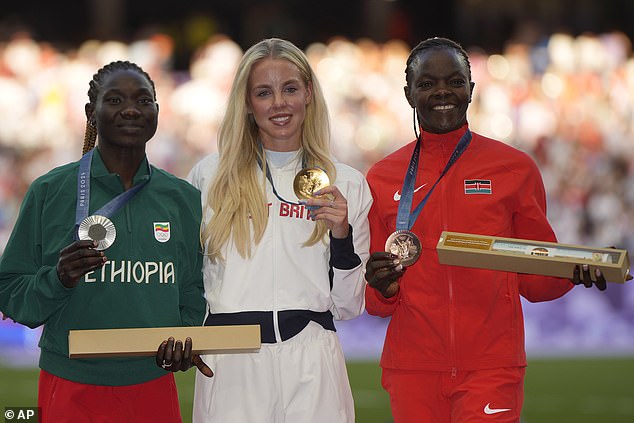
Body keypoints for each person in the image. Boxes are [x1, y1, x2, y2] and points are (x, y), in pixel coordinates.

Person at [364, 37, 624, 423]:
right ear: (408, 93)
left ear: (471, 88)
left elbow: (535, 282)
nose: (442, 92)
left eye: (454, 81)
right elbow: (376, 300)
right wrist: (381, 285)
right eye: (426, 83)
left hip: (492, 365)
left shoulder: (514, 169)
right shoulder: (381, 177)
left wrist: (572, 272)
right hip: (412, 367)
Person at [0, 61, 206, 422]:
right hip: (70, 382)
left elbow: (194, 292)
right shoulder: (50, 191)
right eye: (114, 100)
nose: (130, 109)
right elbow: (10, 292)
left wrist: (186, 338)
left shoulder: (183, 198)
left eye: (143, 100)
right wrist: (59, 278)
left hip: (152, 384)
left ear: (157, 112)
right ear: (90, 113)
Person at [186, 37, 372, 422]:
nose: (279, 103)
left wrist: (341, 235)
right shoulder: (208, 177)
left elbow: (350, 305)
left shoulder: (346, 183)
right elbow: (190, 280)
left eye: (290, 89)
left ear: (308, 93)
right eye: (264, 93)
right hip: (230, 362)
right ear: (247, 104)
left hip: (312, 360)